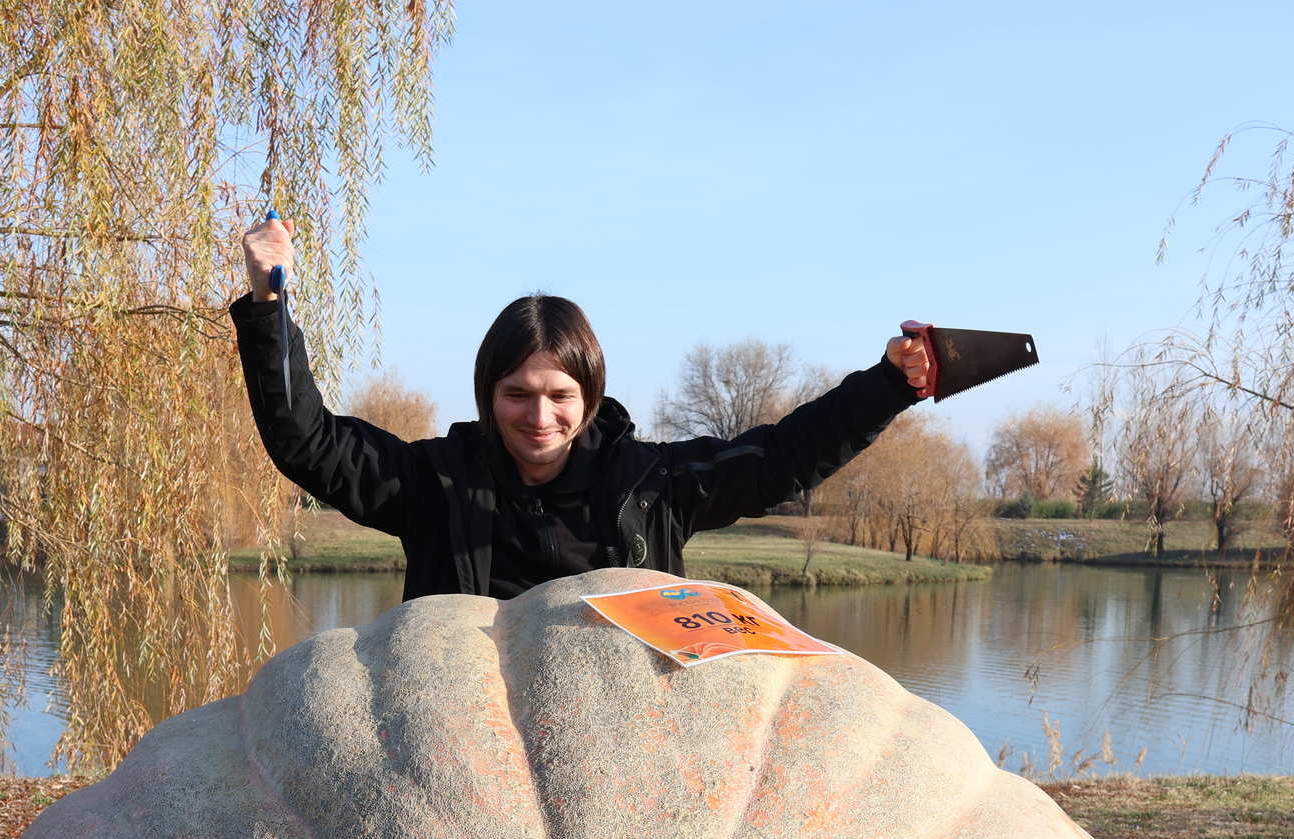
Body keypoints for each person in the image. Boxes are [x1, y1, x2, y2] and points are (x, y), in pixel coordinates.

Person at [232, 215, 934, 601]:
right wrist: (271, 305)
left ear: (589, 398)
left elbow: (783, 457)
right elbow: (311, 444)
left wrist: (890, 384)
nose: (540, 416)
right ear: (488, 396)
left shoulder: (653, 486)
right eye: (517, 394)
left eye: (560, 396)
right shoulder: (433, 484)